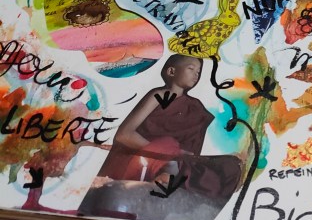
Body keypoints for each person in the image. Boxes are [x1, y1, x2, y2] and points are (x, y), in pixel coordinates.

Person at [95, 54, 241, 199]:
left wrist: (179, 157)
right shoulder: (158, 95)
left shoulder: (195, 107)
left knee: (230, 166)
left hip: (177, 161)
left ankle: (169, 174)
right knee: (168, 144)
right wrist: (166, 151)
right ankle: (166, 175)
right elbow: (124, 135)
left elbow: (191, 151)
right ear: (171, 71)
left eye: (198, 71)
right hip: (143, 157)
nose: (196, 74)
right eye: (191, 68)